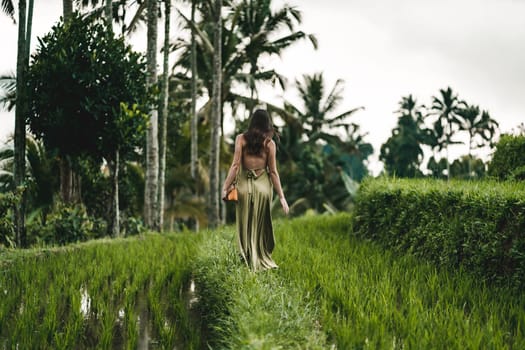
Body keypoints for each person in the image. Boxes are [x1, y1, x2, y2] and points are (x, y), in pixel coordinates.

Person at [221, 109, 289, 271]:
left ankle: (245, 257)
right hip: (263, 188)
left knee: (244, 222)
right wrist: (282, 197)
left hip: (244, 187)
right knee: (260, 223)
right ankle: (260, 256)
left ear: (252, 123)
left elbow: (236, 165)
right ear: (267, 125)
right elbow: (273, 172)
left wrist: (225, 188)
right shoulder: (269, 144)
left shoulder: (241, 139)